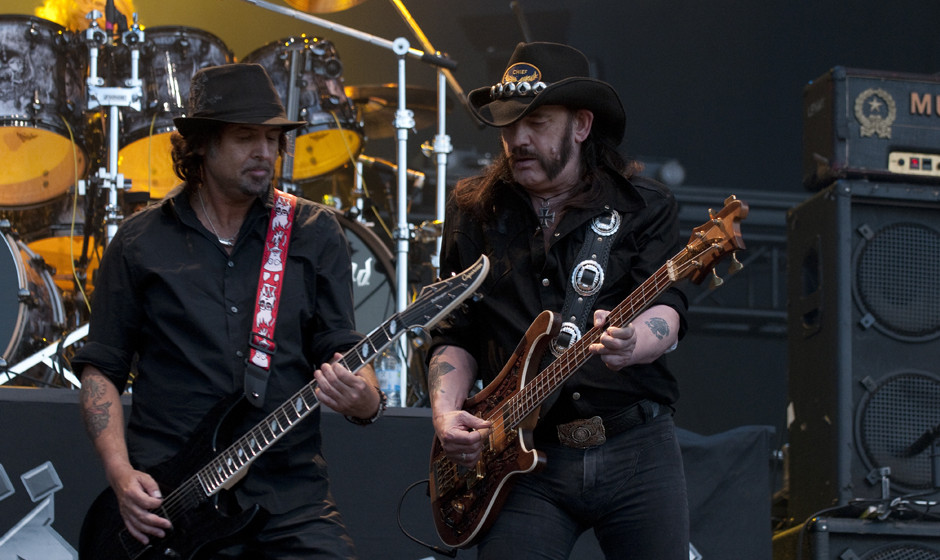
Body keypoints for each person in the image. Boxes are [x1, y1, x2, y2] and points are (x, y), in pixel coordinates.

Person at [72, 63, 384, 559]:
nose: (264, 152)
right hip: (172, 500)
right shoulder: (138, 242)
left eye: (272, 138)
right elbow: (101, 368)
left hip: (290, 497)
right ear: (199, 144)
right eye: (245, 137)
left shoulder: (313, 231)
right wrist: (120, 474)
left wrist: (365, 399)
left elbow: (340, 343)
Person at [428, 42, 690, 559]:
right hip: (521, 460)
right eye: (508, 125)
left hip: (635, 448)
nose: (518, 140)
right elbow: (453, 332)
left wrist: (634, 341)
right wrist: (443, 413)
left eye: (537, 122)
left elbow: (671, 307)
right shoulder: (474, 213)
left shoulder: (642, 205)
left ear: (581, 125)